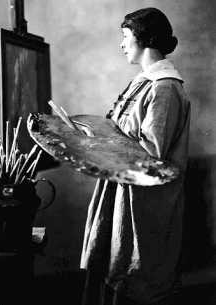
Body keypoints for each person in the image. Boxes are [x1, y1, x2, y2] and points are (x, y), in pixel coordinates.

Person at [80, 7, 190, 305]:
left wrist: (101, 143)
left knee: (135, 275)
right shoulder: (144, 81)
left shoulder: (165, 88)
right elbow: (120, 127)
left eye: (125, 36)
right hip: (122, 188)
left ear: (144, 40)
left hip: (143, 200)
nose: (122, 43)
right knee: (111, 264)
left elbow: (151, 153)